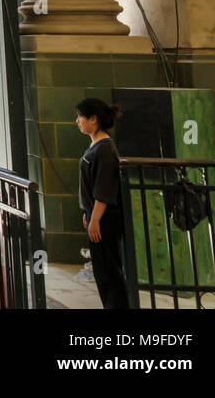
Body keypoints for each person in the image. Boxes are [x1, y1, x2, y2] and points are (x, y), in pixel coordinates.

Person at [76, 98, 127, 309]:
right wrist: (89, 213)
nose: (77, 121)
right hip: (96, 216)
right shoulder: (96, 147)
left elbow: (104, 190)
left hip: (105, 220)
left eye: (80, 117)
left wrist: (95, 218)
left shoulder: (105, 149)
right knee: (103, 272)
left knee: (109, 272)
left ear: (94, 119)